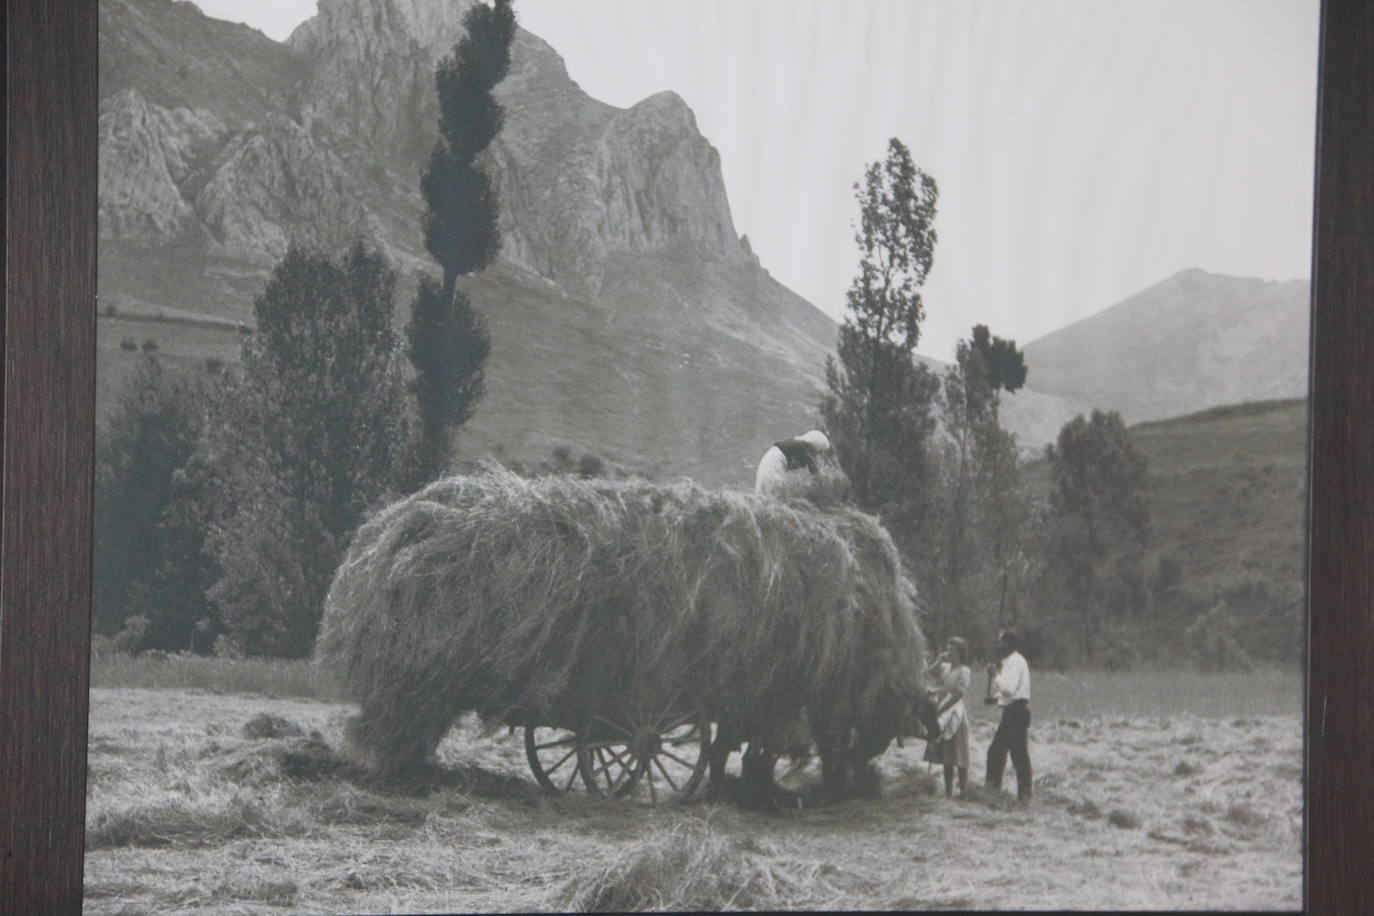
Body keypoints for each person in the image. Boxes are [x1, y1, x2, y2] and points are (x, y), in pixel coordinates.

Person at [984, 629, 1033, 800]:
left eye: (1000, 642)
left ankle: (993, 791)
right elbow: (1012, 692)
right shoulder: (1013, 661)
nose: (998, 645)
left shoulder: (1014, 662)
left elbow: (1009, 689)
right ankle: (1024, 794)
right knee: (1017, 755)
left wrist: (995, 675)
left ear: (1008, 644)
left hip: (1015, 714)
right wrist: (995, 699)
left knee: (997, 753)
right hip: (1016, 711)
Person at [924, 637, 971, 797]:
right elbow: (929, 673)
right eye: (948, 649)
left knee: (959, 752)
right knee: (946, 754)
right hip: (941, 711)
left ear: (959, 652)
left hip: (954, 712)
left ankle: (964, 791)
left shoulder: (964, 670)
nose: (948, 653)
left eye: (951, 650)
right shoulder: (945, 667)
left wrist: (942, 708)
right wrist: (939, 660)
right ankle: (949, 793)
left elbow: (958, 694)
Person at [754, 428, 831, 494]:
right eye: (820, 451)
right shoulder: (807, 447)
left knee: (762, 495)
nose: (818, 455)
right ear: (816, 445)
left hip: (767, 462)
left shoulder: (799, 444)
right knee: (774, 498)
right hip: (773, 465)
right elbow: (815, 473)